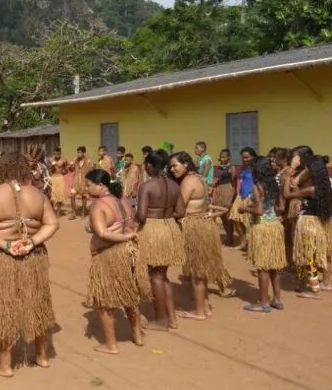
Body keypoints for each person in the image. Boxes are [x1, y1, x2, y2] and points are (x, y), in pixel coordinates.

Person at [0, 152, 58, 378]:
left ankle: (5, 365)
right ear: (24, 169)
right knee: (37, 303)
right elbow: (52, 223)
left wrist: (6, 245)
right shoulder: (38, 195)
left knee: (4, 307)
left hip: (0, 257)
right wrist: (32, 241)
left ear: (3, 170)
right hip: (34, 256)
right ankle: (42, 356)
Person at [84, 169, 147, 354]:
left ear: (101, 185)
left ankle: (111, 344)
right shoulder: (123, 201)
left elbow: (103, 233)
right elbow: (129, 224)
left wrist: (126, 237)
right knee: (129, 295)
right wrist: (128, 236)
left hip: (109, 255)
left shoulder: (99, 206)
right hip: (126, 254)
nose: (86, 188)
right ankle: (138, 335)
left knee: (105, 300)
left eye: (89, 185)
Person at [169, 151, 227, 321]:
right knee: (201, 270)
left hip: (194, 226)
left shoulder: (187, 181)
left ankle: (199, 311)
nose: (172, 169)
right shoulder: (200, 178)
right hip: (204, 225)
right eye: (171, 166)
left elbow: (180, 209)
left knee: (196, 271)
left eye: (175, 165)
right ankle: (205, 306)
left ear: (185, 164)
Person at [135, 149, 185, 331]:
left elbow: (141, 215)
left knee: (155, 276)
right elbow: (181, 212)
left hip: (152, 229)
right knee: (163, 276)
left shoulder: (146, 186)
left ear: (149, 165)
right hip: (170, 228)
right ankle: (171, 318)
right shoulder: (174, 186)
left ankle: (161, 320)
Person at [239, 156, 285, 312]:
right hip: (275, 227)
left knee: (262, 267)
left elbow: (258, 211)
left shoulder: (257, 187)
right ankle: (277, 299)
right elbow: (280, 208)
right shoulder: (274, 185)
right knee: (275, 265)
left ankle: (264, 302)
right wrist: (266, 207)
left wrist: (245, 209)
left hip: (262, 228)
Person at [284, 147, 330, 297]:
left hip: (307, 223)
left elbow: (288, 192)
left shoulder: (310, 188)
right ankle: (303, 283)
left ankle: (315, 290)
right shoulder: (320, 188)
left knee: (309, 256)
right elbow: (297, 189)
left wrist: (291, 169)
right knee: (308, 255)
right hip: (314, 222)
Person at [229, 147, 257, 251]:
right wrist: (237, 194)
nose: (245, 159)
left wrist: (253, 196)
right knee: (235, 219)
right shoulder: (242, 168)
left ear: (253, 157)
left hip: (252, 198)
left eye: (247, 157)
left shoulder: (256, 169)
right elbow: (239, 182)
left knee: (249, 221)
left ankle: (252, 243)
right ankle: (243, 242)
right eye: (243, 158)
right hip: (240, 197)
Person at [212, 149, 236, 246]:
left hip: (228, 190)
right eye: (220, 157)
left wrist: (231, 198)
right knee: (222, 216)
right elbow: (216, 180)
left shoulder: (232, 168)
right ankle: (228, 235)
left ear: (229, 158)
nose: (222, 159)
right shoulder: (219, 168)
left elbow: (234, 184)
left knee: (227, 215)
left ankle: (230, 238)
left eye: (224, 157)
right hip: (219, 191)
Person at [70, 146, 94, 219]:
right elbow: (71, 169)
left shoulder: (89, 161)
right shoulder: (75, 160)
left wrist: (89, 182)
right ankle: (73, 213)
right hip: (76, 181)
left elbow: (92, 171)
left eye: (80, 152)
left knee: (84, 197)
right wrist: (71, 165)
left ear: (84, 153)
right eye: (78, 152)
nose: (78, 154)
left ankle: (83, 212)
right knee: (72, 195)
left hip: (84, 181)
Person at [48, 148, 69, 217]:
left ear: (60, 153)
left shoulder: (63, 160)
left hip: (60, 177)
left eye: (58, 153)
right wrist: (51, 165)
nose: (56, 155)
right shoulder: (50, 159)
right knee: (52, 195)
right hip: (52, 177)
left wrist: (65, 170)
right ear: (54, 153)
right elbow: (47, 166)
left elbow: (67, 166)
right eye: (55, 153)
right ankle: (53, 210)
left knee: (60, 196)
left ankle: (58, 212)